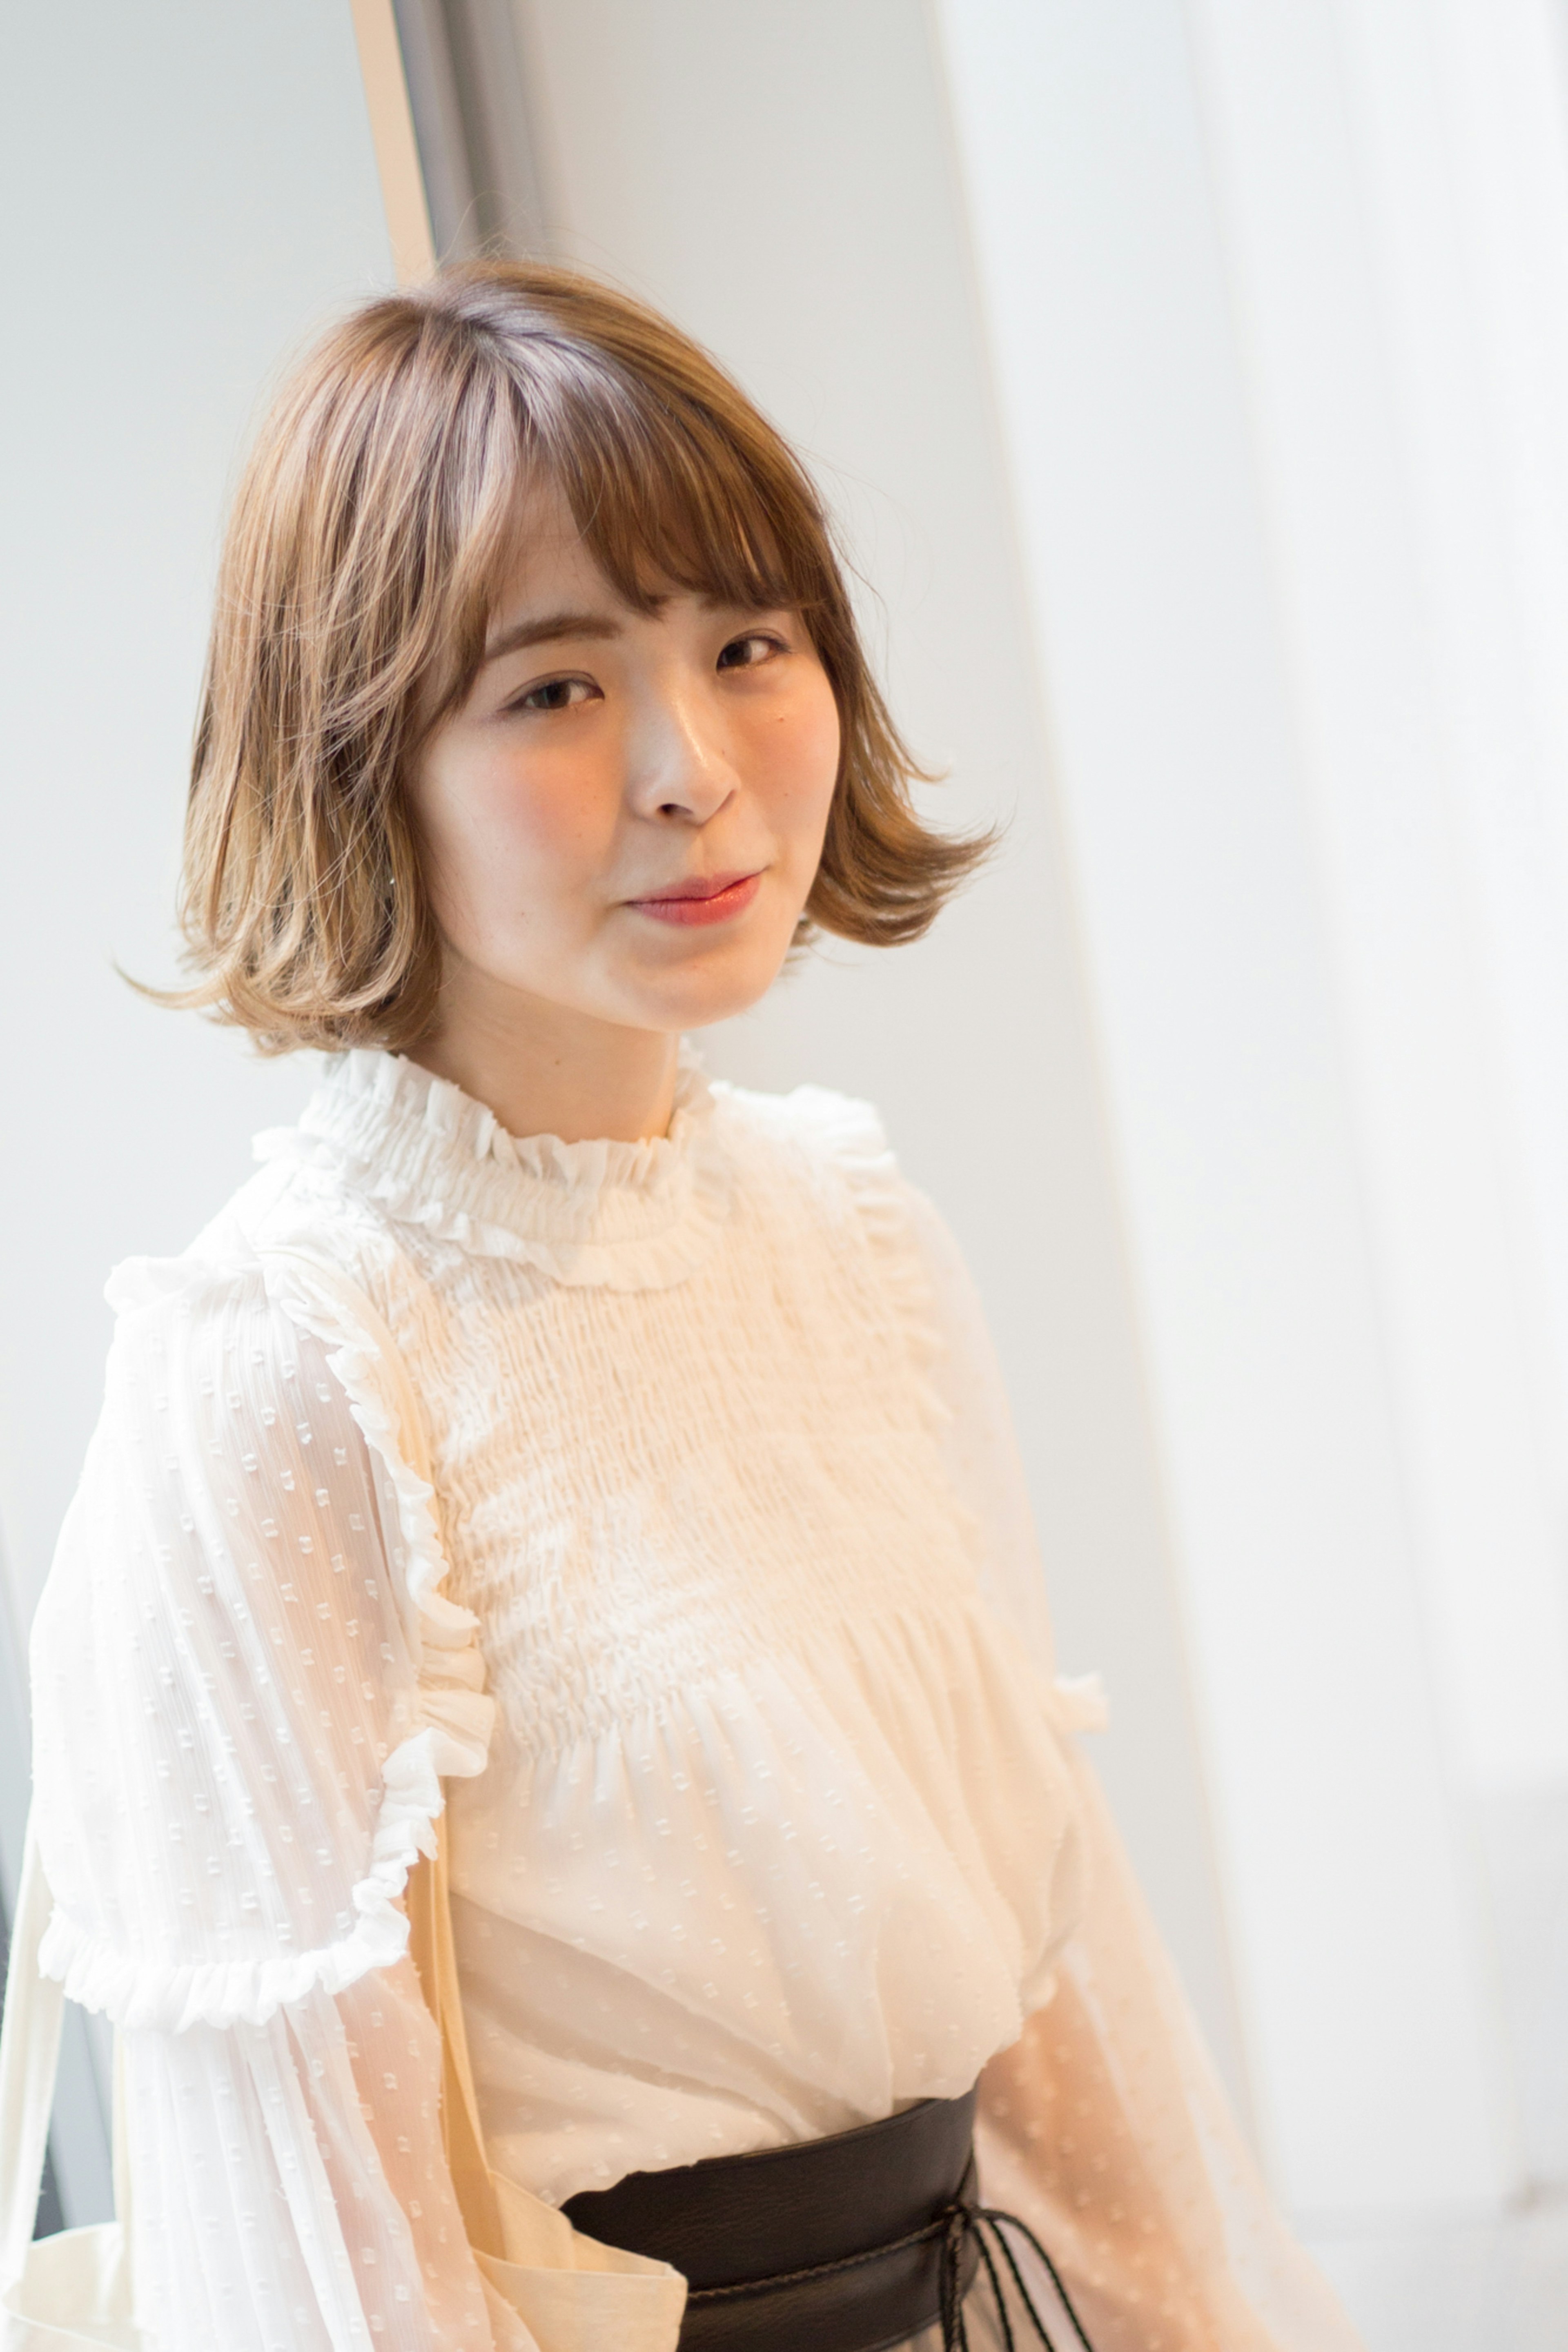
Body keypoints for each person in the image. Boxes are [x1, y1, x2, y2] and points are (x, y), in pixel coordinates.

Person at [26, 263, 1359, 2352]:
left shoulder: (849, 1228)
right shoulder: (287, 1370)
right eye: (554, 689)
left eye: (747, 644)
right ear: (363, 759)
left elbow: (1050, 1977)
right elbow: (329, 2247)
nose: (694, 765)